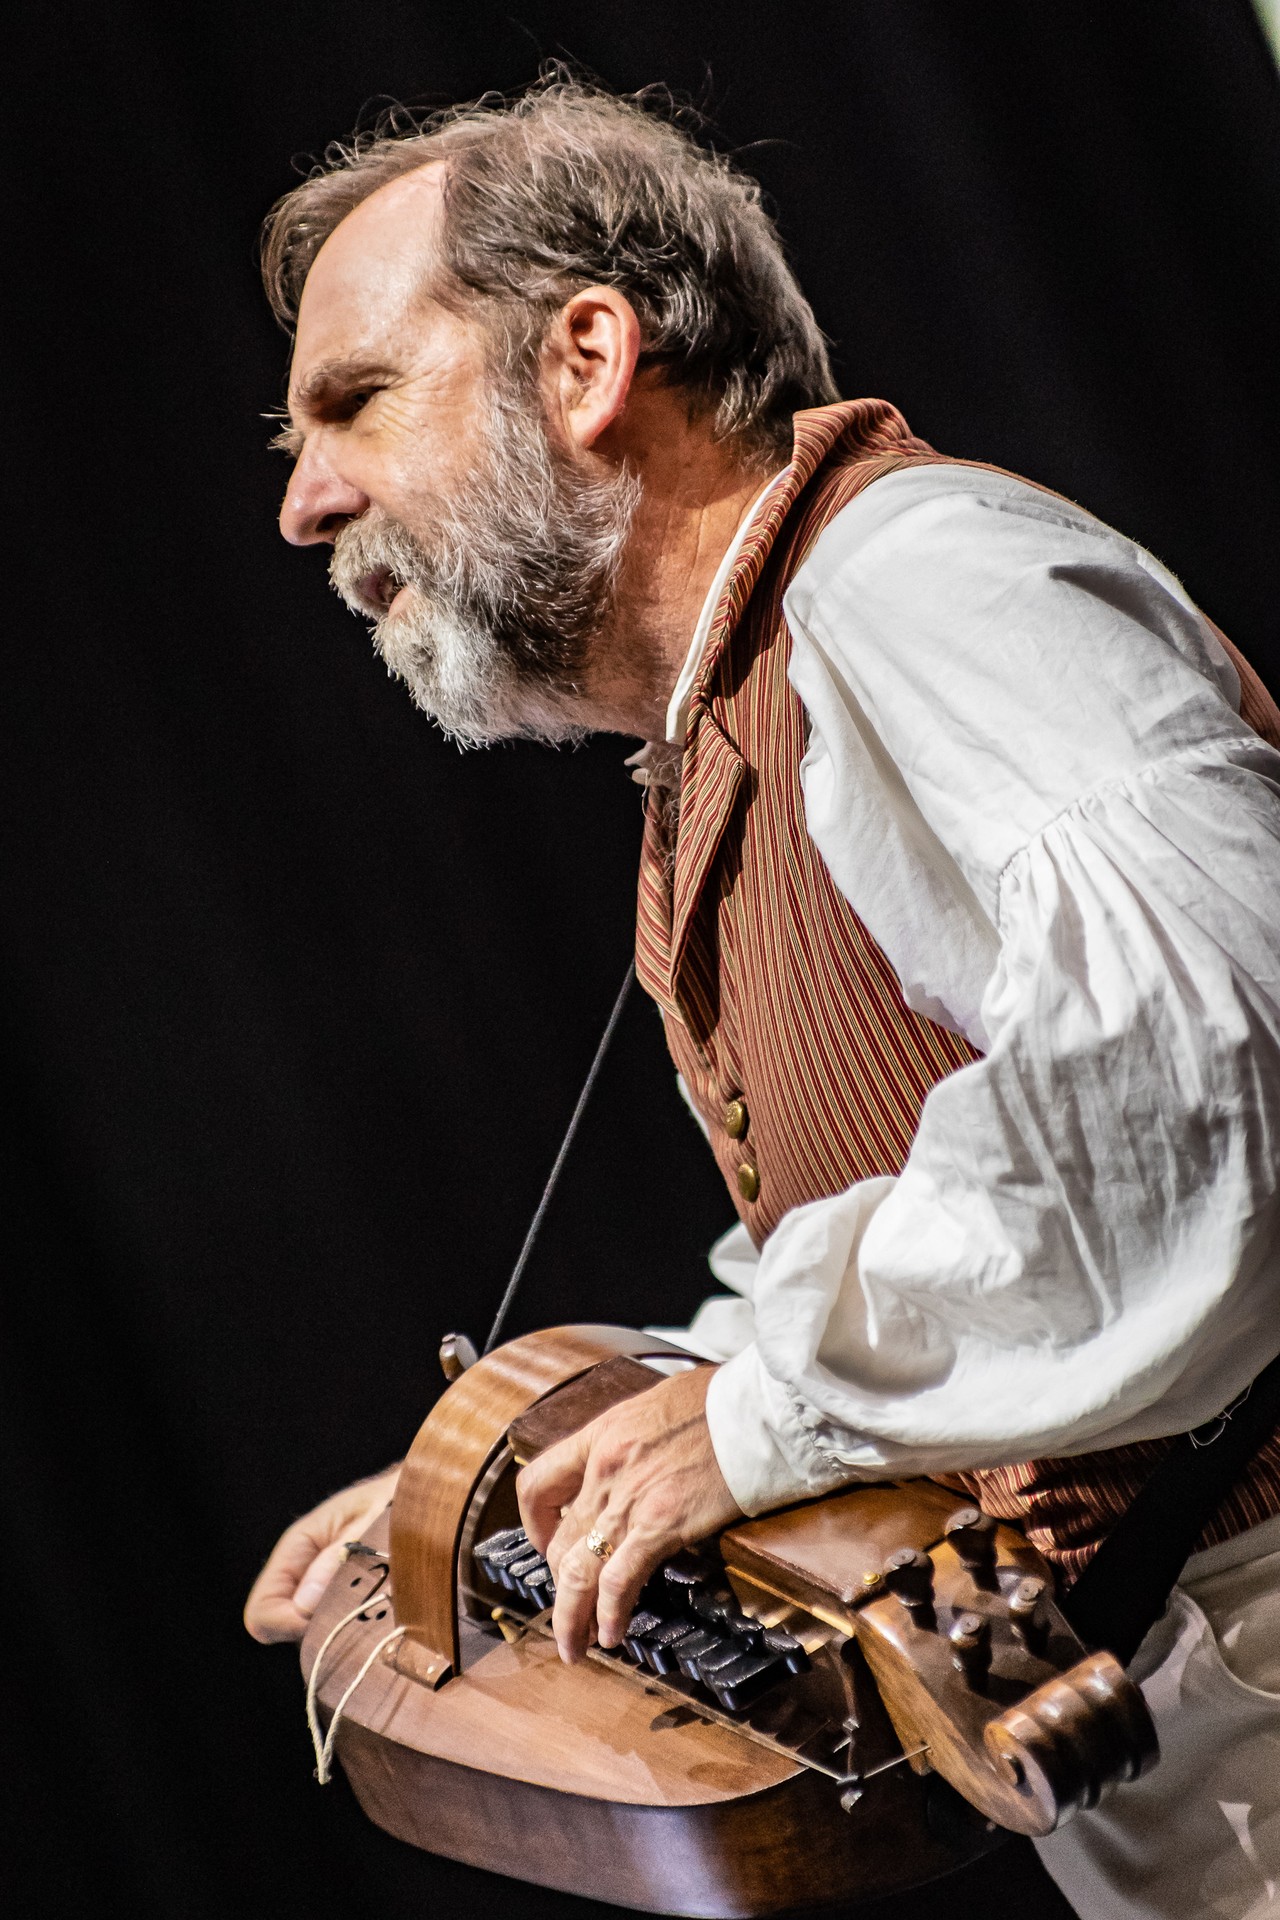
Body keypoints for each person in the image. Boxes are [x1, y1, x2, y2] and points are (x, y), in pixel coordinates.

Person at [242, 81, 1280, 1918]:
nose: (304, 502)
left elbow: (1210, 1063)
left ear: (586, 361)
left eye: (356, 401)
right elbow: (914, 1218)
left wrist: (762, 1417)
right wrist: (518, 1482)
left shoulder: (919, 581)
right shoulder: (740, 712)